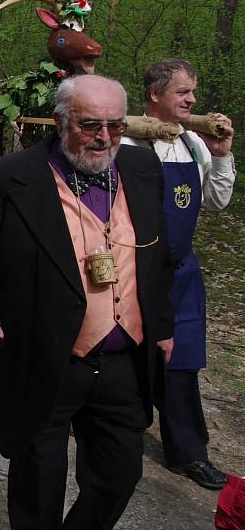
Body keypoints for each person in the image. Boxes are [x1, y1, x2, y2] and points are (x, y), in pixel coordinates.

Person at [0, 74, 175, 530]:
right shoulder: (11, 178)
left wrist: (164, 324)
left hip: (124, 361)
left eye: (115, 126)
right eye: (91, 125)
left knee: (119, 475)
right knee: (37, 480)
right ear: (60, 121)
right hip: (46, 358)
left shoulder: (143, 170)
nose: (105, 137)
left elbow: (160, 260)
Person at [121, 59, 236, 490]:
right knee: (123, 351)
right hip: (136, 267)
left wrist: (223, 158)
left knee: (182, 361)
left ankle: (187, 453)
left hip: (182, 271)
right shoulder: (127, 142)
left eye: (193, 92)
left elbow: (217, 202)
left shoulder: (194, 144)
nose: (191, 100)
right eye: (182, 92)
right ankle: (105, 426)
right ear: (155, 95)